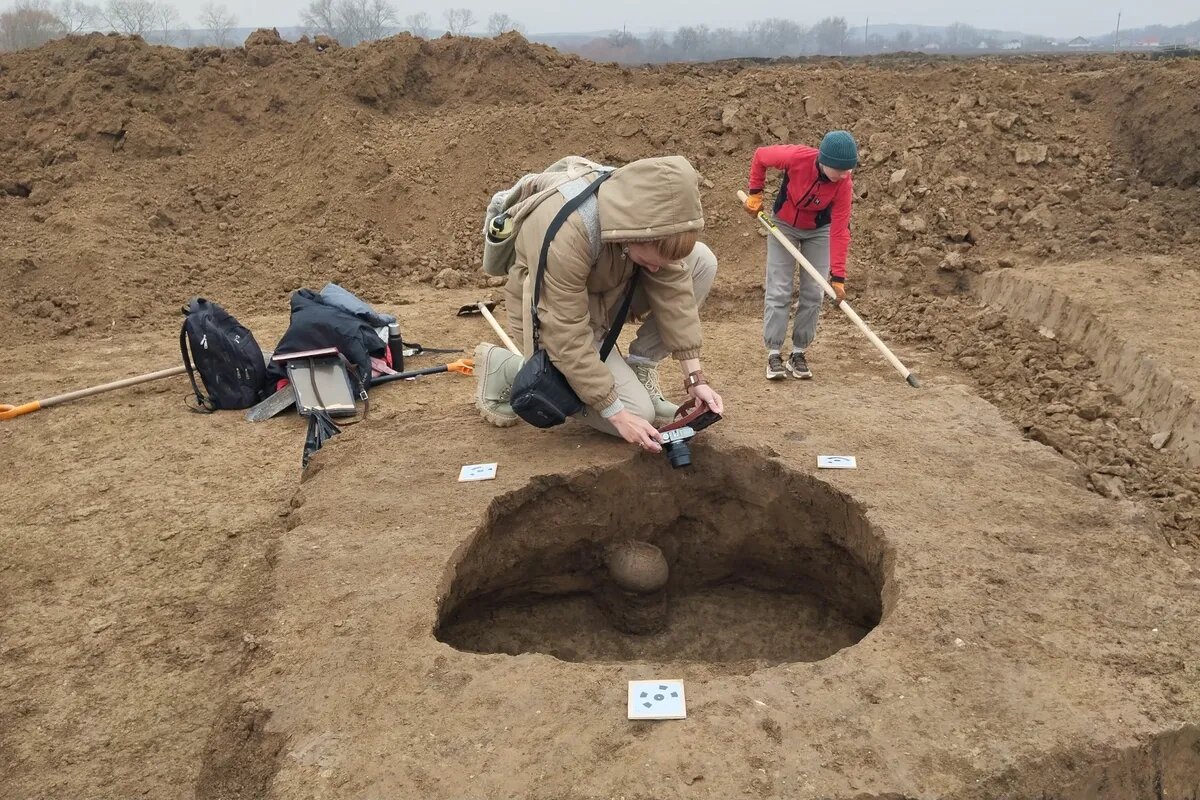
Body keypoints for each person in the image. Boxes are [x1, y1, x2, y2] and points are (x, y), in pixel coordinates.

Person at [474, 155, 724, 454]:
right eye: (651, 262)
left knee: (701, 261)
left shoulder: (649, 218)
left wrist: (694, 378)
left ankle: (640, 369)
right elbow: (564, 333)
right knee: (637, 413)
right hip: (549, 315)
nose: (655, 271)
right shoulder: (569, 231)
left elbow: (675, 292)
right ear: (634, 233)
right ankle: (511, 368)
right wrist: (615, 412)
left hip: (607, 296)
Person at [743, 130, 858, 381]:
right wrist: (755, 192)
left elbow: (839, 230)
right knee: (779, 289)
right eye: (841, 169)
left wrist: (838, 276)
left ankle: (798, 352)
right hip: (783, 225)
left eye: (849, 169)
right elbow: (760, 156)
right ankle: (774, 353)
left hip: (819, 232)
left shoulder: (843, 185)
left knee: (814, 292)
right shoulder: (797, 157)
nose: (846, 174)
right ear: (825, 162)